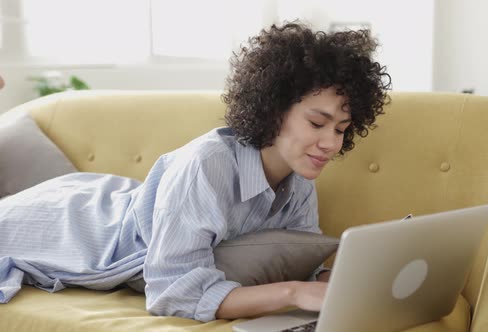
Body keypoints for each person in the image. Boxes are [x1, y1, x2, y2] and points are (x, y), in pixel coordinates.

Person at [0, 21, 391, 322]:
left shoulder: (300, 180)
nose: (331, 144)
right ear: (274, 110)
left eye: (340, 130)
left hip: (106, 198)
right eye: (318, 123)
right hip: (73, 221)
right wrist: (292, 294)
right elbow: (175, 292)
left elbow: (299, 263)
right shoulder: (208, 164)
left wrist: (351, 287)